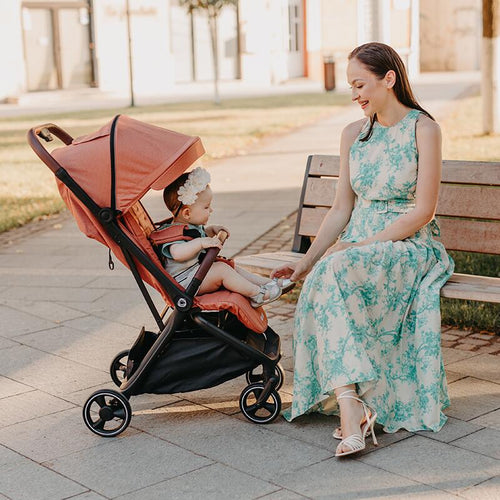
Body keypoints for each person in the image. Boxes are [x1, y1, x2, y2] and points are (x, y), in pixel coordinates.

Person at [271, 42, 454, 457]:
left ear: (388, 78)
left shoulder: (424, 129)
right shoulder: (354, 133)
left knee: (337, 269)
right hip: (357, 245)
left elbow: (423, 212)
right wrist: (304, 263)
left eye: (360, 85)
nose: (355, 96)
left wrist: (359, 244)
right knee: (325, 273)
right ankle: (352, 410)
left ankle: (352, 412)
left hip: (407, 244)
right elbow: (340, 209)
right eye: (351, 88)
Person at [161, 167, 294, 307]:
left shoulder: (190, 226)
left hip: (196, 274)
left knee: (232, 267)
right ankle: (258, 295)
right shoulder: (172, 234)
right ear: (187, 213)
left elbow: (194, 237)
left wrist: (211, 230)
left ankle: (268, 284)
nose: (211, 210)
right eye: (206, 207)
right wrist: (201, 243)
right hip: (185, 283)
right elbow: (177, 253)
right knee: (222, 270)